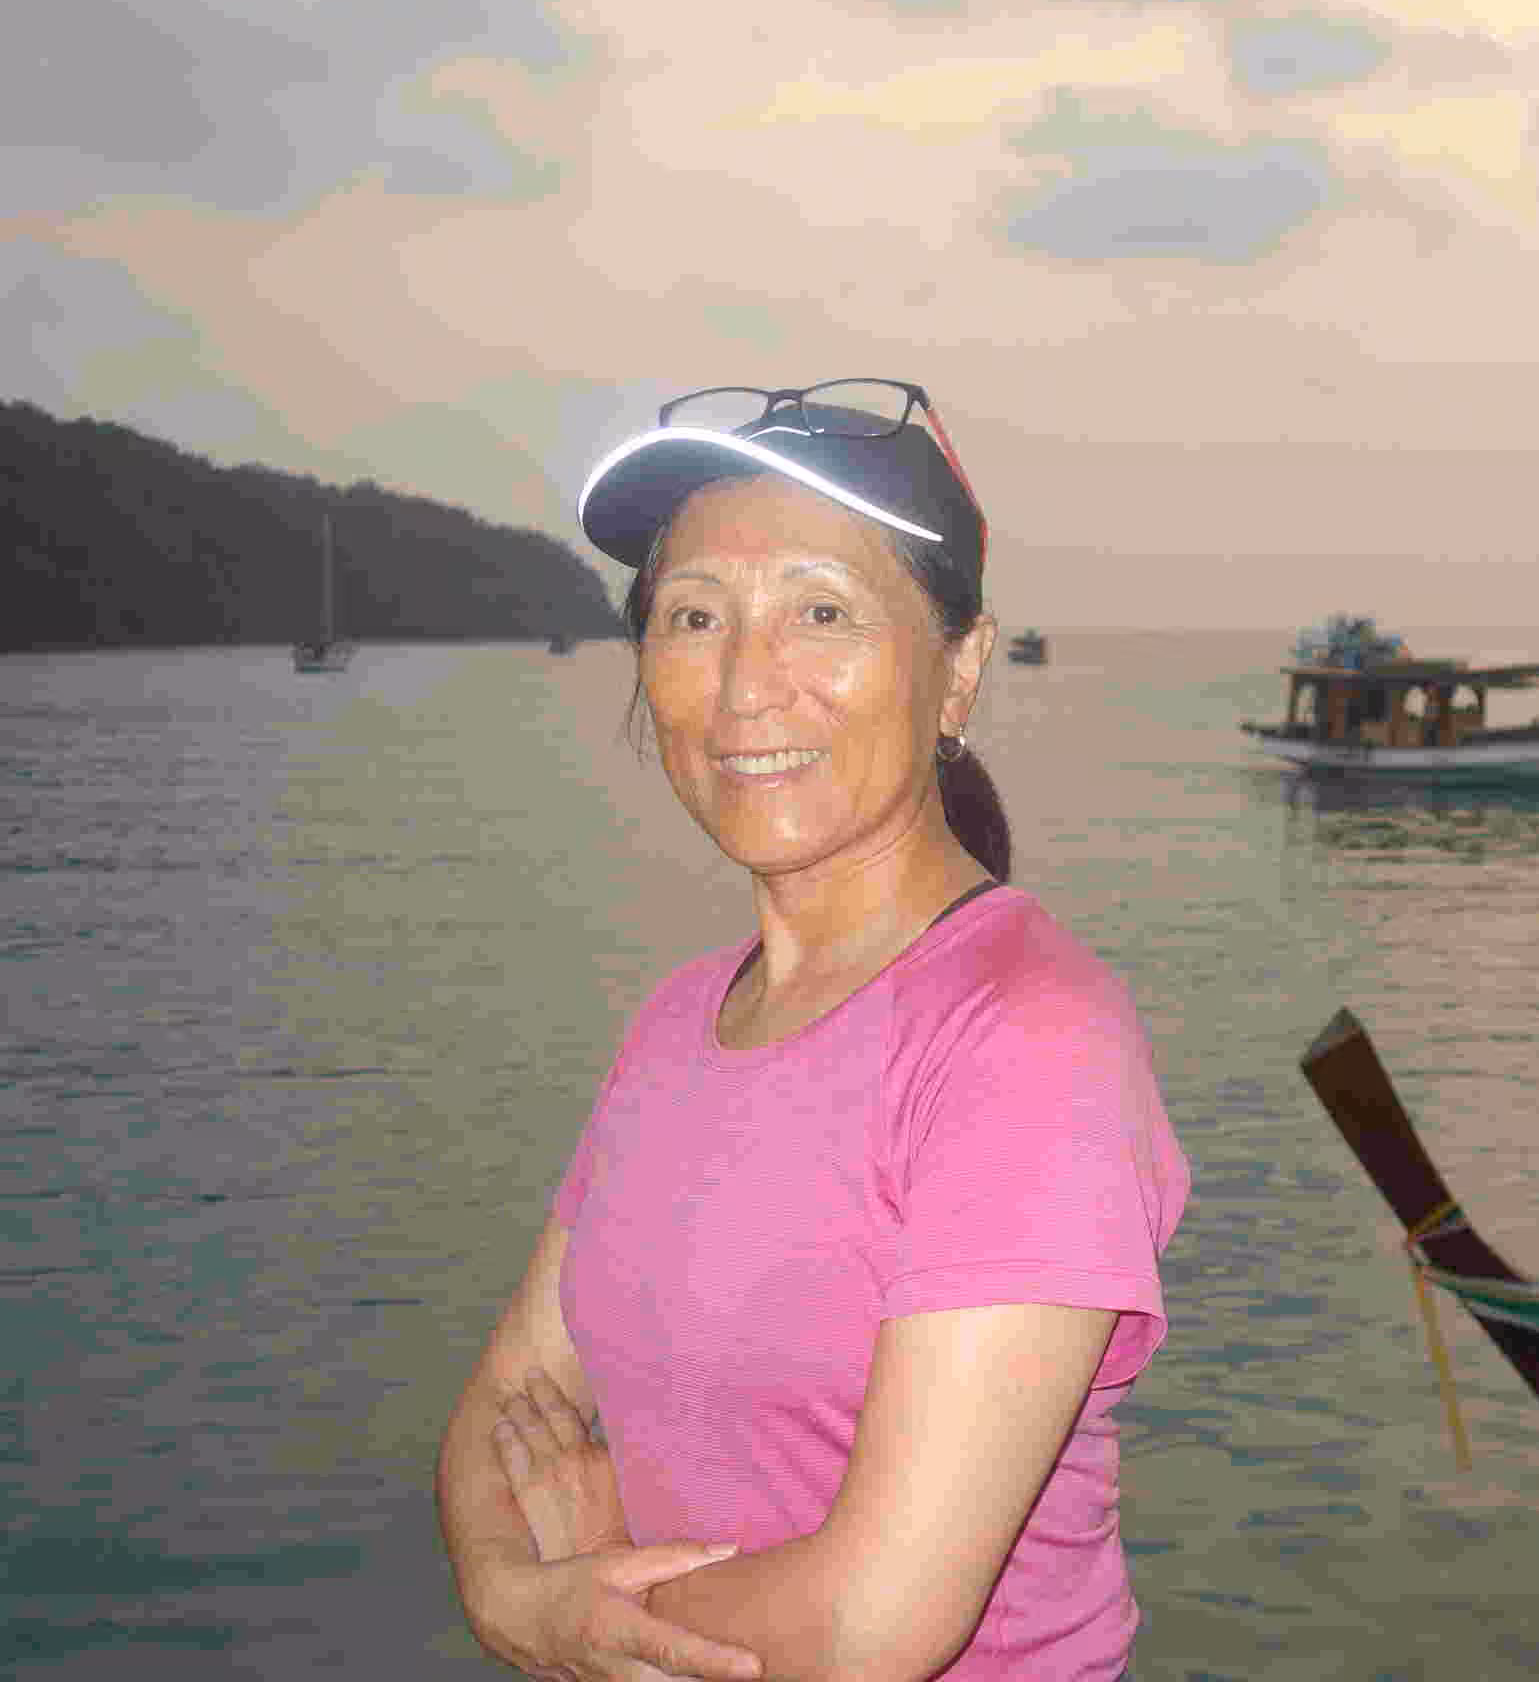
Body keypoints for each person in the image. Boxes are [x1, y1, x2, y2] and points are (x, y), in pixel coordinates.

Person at [436, 378, 1191, 1681]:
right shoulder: (681, 1021)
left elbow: (874, 1621)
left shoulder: (1025, 1039)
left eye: (821, 612)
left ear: (959, 670)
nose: (744, 685)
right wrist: (513, 1587)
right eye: (694, 618)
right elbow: (511, 1398)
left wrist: (569, 1609)